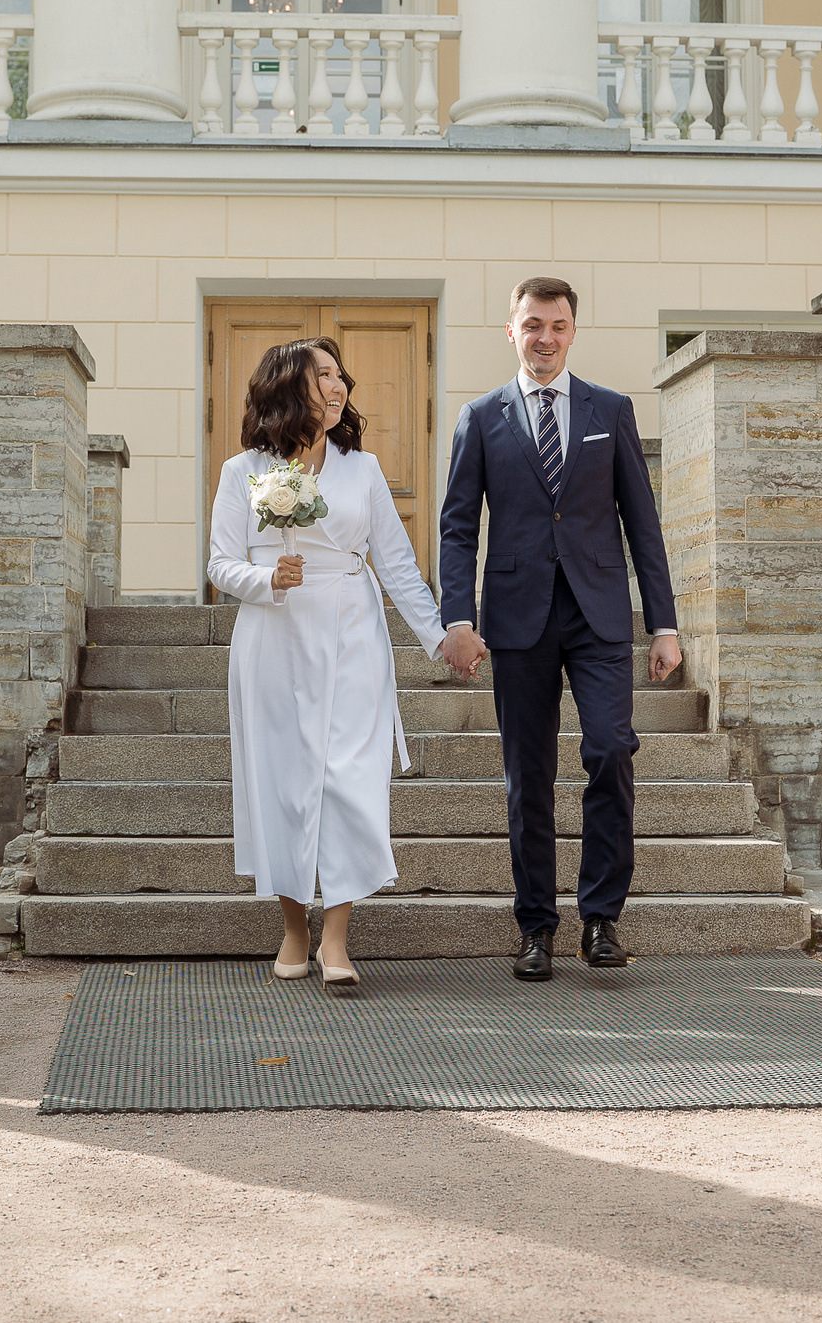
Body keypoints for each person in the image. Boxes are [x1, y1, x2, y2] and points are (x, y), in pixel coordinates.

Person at [434, 278, 680, 983]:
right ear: (511, 330)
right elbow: (457, 527)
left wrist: (662, 625)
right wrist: (458, 619)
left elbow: (643, 524)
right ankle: (536, 926)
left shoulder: (611, 410)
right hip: (517, 616)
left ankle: (601, 917)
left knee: (609, 748)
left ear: (574, 331)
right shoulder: (480, 418)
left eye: (559, 325)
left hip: (598, 612)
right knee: (528, 777)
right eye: (533, 324)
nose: (546, 337)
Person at [207, 338, 453, 990]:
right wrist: (266, 577)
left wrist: (438, 638)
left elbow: (396, 562)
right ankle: (293, 930)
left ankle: (337, 939)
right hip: (275, 636)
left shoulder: (362, 468)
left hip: (351, 633)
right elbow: (220, 561)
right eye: (322, 374)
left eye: (340, 373)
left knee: (350, 779)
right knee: (285, 780)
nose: (338, 383)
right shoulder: (243, 471)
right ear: (290, 385)